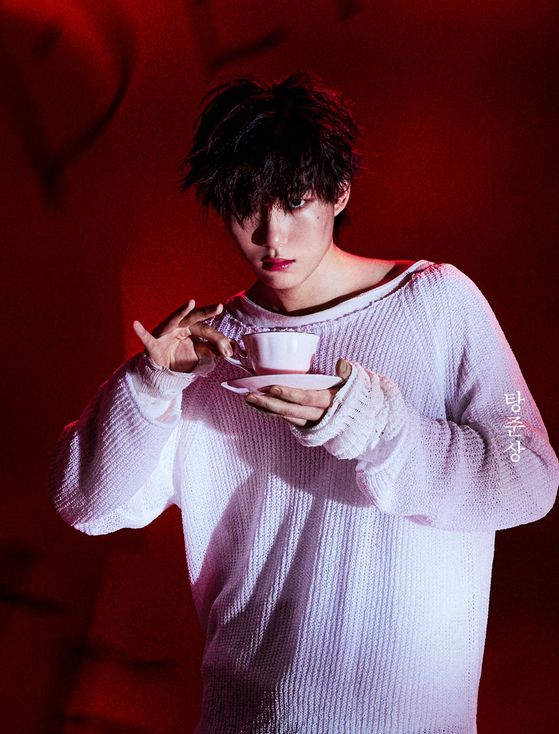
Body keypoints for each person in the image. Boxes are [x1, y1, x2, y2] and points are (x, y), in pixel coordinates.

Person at [49, 72, 559, 734]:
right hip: (247, 716)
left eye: (294, 203)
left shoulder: (436, 302)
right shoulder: (205, 348)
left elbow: (527, 475)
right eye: (246, 207)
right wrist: (150, 383)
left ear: (339, 191)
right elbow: (87, 506)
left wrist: (377, 428)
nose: (272, 236)